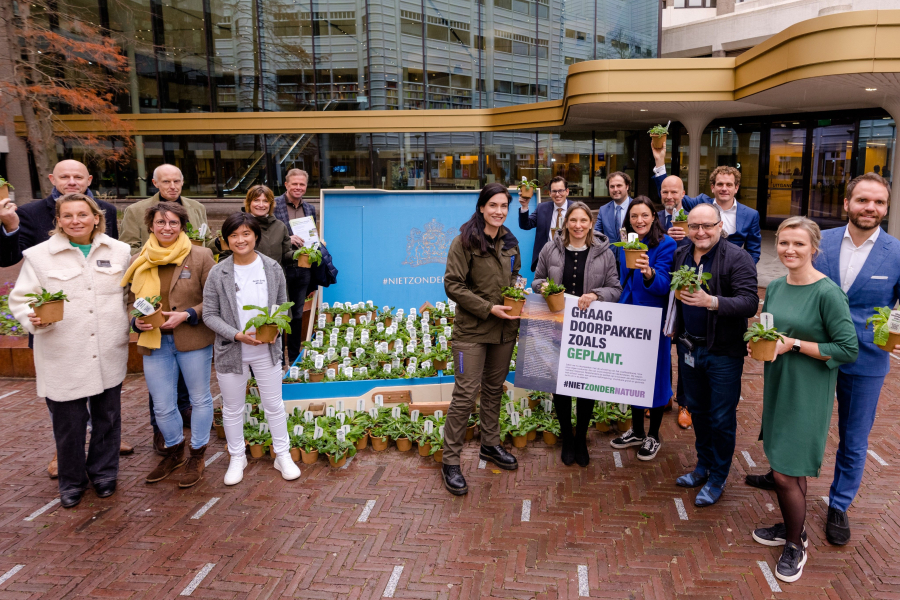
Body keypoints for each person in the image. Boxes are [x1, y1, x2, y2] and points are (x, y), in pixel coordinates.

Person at [746, 173, 900, 546]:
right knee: (794, 418)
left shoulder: (896, 251)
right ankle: (784, 471)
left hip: (864, 356)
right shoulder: (817, 240)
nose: (871, 208)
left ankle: (839, 504)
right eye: (863, 200)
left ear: (886, 207)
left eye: (879, 202)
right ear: (846, 203)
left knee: (853, 434)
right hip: (807, 362)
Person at [0, 160, 129, 479]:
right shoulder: (29, 217)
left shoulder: (114, 232)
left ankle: (104, 469)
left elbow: (121, 285)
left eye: (77, 177)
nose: (76, 220)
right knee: (67, 414)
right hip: (58, 336)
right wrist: (8, 224)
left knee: (107, 413)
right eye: (64, 177)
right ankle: (69, 469)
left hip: (104, 338)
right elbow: (10, 263)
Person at [751, 217, 857, 583]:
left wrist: (793, 344)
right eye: (783, 243)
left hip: (808, 391)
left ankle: (795, 545)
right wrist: (760, 336)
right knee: (789, 467)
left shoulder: (828, 292)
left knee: (783, 472)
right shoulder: (777, 286)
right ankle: (794, 526)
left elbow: (847, 348)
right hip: (780, 383)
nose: (789, 250)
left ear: (814, 248)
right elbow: (773, 326)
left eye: (798, 244)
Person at [202, 212, 302, 485]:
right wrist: (236, 335)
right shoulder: (218, 272)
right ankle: (237, 457)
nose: (240, 239)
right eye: (233, 235)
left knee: (273, 404)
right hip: (231, 351)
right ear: (226, 241)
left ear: (256, 236)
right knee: (233, 408)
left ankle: (283, 454)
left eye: (246, 233)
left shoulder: (271, 268)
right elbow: (209, 314)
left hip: (267, 350)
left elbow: (284, 307)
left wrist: (276, 327)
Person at [122, 202, 216, 487]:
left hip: (192, 339)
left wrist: (188, 314)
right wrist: (134, 321)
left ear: (182, 226)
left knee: (199, 399)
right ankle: (174, 451)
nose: (167, 228)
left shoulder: (200, 255)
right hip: (155, 341)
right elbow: (130, 300)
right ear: (150, 225)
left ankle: (197, 454)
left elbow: (215, 298)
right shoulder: (139, 258)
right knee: (162, 405)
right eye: (161, 222)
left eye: (173, 223)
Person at [671, 203, 759, 506]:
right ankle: (703, 466)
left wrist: (712, 301)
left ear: (720, 226)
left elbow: (749, 303)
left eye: (707, 225)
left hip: (722, 352)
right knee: (698, 410)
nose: (701, 232)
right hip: (690, 348)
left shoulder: (738, 258)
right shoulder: (682, 254)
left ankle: (718, 477)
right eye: (694, 226)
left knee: (721, 417)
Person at [441, 182, 522, 496]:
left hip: (504, 331)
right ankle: (450, 461)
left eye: (504, 206)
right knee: (465, 394)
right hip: (472, 332)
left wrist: (518, 291)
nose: (499, 212)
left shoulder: (509, 242)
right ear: (481, 207)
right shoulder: (463, 242)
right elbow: (453, 286)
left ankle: (490, 444)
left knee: (493, 390)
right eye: (493, 206)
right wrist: (489, 308)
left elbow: (513, 277)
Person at [532, 201, 622, 466]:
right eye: (573, 221)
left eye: (584, 221)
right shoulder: (551, 248)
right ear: (566, 223)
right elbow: (536, 280)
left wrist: (596, 294)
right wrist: (546, 287)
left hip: (587, 331)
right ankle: (567, 437)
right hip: (556, 326)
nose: (578, 225)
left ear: (591, 224)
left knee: (585, 385)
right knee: (560, 386)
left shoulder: (604, 253)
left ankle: (581, 437)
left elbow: (615, 288)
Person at [608, 196, 676, 461]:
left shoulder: (666, 244)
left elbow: (662, 285)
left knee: (656, 376)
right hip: (630, 317)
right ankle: (637, 430)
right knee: (632, 375)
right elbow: (623, 278)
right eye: (634, 216)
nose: (640, 221)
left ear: (654, 217)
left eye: (645, 215)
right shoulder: (628, 243)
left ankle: (654, 435)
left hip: (652, 319)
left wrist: (648, 272)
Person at [651, 146, 762, 263]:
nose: (724, 189)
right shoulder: (700, 203)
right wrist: (660, 161)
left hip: (732, 269)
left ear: (736, 188)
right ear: (712, 187)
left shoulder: (750, 215)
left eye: (729, 185)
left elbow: (753, 252)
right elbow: (671, 194)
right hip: (700, 266)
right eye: (720, 184)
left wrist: (743, 270)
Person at [0, 160, 119, 268]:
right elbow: (7, 260)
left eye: (78, 177)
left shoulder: (107, 210)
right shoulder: (30, 213)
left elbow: (111, 253)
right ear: (52, 179)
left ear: (89, 180)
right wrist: (11, 227)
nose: (72, 182)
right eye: (64, 177)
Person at [273, 169, 319, 364]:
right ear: (286, 185)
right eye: (295, 184)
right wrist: (287, 238)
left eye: (302, 184)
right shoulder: (273, 205)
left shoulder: (310, 208)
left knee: (298, 314)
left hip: (302, 267)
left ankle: (293, 359)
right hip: (280, 266)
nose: (298, 188)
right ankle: (278, 359)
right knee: (279, 312)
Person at [658, 173, 692, 429]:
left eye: (674, 192)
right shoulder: (655, 219)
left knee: (685, 348)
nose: (669, 197)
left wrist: (687, 237)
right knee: (660, 348)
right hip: (660, 292)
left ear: (683, 193)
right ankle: (664, 396)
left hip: (687, 292)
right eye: (665, 192)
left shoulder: (694, 218)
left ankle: (685, 403)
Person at [220, 185, 294, 267]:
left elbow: (285, 254)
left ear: (270, 204)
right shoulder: (238, 224)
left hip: (273, 276)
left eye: (265, 201)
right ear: (249, 203)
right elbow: (225, 256)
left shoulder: (280, 226)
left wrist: (297, 255)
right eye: (256, 200)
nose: (261, 205)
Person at [518, 176, 571, 272]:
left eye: (561, 191)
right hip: (547, 258)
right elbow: (525, 225)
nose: (557, 194)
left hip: (571, 256)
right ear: (550, 193)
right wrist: (525, 206)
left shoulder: (576, 208)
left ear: (567, 191)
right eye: (554, 191)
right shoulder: (542, 208)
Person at [593, 171, 633, 243]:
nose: (615, 189)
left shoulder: (637, 206)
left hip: (631, 252)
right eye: (612, 186)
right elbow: (596, 235)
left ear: (627, 186)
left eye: (619, 186)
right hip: (609, 253)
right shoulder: (603, 210)